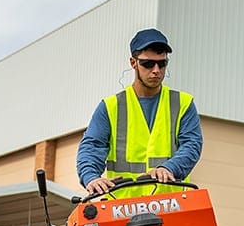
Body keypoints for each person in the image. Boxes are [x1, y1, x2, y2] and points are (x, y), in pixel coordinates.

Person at [77, 28, 203, 197]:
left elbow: (192, 145)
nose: (156, 70)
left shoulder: (183, 104)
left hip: (170, 206)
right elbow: (92, 146)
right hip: (121, 208)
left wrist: (169, 168)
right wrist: (91, 177)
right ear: (133, 62)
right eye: (148, 64)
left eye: (162, 63)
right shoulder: (110, 106)